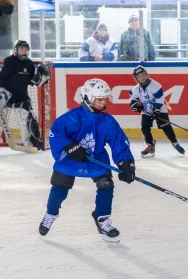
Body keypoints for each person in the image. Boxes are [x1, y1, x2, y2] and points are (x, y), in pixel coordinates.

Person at [38, 78, 135, 242]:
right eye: (99, 100)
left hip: (95, 158)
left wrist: (125, 162)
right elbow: (55, 133)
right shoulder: (72, 118)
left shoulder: (107, 120)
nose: (103, 103)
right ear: (87, 98)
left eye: (105, 99)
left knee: (106, 184)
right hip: (69, 159)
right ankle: (51, 214)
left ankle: (102, 219)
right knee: (59, 188)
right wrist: (70, 147)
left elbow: (119, 142)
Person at [0, 40, 49, 154]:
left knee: (30, 119)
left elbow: (30, 81)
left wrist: (40, 79)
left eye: (25, 49)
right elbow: (1, 78)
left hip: (21, 96)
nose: (24, 51)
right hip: (6, 96)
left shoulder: (29, 64)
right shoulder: (10, 61)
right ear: (16, 50)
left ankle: (34, 144)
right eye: (21, 49)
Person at [129, 65, 185, 157]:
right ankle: (150, 145)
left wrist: (156, 110)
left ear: (147, 75)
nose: (142, 77)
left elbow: (159, 99)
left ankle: (175, 143)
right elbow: (133, 99)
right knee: (145, 128)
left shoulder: (156, 85)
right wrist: (134, 105)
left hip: (160, 110)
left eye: (143, 75)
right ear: (136, 79)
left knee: (166, 127)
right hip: (146, 111)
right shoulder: (135, 89)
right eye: (139, 77)